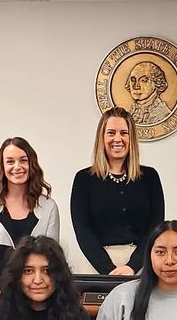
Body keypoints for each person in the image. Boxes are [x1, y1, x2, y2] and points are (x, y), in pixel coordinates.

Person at [70, 107, 165, 276]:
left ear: (131, 138)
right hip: (96, 266)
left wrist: (132, 266)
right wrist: (109, 271)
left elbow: (155, 226)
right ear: (102, 137)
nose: (118, 139)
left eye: (124, 133)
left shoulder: (150, 177)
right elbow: (83, 231)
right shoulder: (83, 179)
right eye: (111, 133)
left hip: (141, 264)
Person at [0, 136, 59, 296]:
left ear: (32, 164)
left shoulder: (48, 207)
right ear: (2, 167)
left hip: (31, 297)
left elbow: (50, 259)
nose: (17, 167)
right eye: (10, 161)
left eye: (23, 160)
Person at [126, 60, 174, 127]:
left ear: (156, 83)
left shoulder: (162, 114)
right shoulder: (132, 112)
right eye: (133, 80)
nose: (136, 86)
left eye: (143, 80)